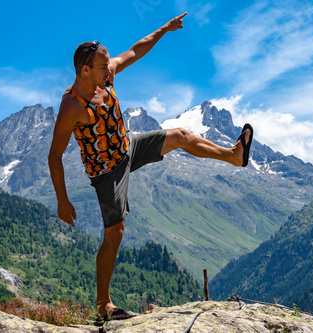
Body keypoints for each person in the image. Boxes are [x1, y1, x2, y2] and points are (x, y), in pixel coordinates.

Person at [48, 12, 253, 322]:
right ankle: (103, 304)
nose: (111, 68)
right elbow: (54, 155)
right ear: (85, 70)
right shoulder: (72, 105)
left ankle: (234, 156)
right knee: (114, 232)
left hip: (129, 145)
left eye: (109, 64)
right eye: (104, 66)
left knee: (181, 136)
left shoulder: (106, 73)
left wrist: (166, 29)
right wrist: (62, 199)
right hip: (106, 171)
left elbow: (136, 49)